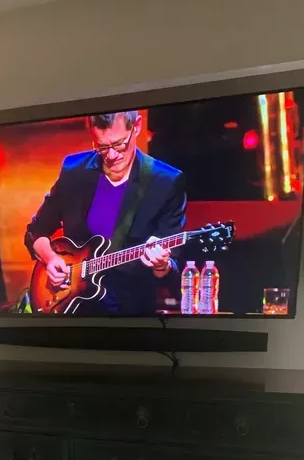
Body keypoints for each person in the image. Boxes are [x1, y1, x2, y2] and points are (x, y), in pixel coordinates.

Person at [25, 111, 187, 315]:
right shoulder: (74, 170)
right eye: (101, 146)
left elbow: (175, 268)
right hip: (71, 311)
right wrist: (50, 259)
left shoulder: (165, 182)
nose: (111, 156)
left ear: (136, 127)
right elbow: (36, 231)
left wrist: (161, 265)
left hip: (130, 315)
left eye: (119, 144)